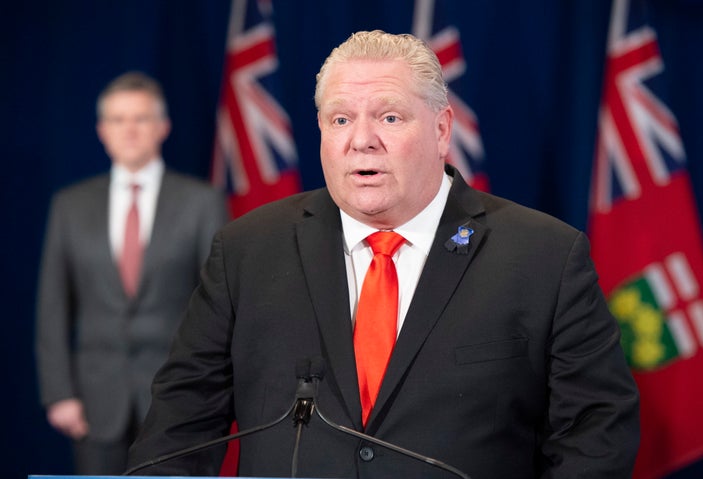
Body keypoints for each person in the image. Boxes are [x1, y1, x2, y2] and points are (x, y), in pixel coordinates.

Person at [127, 31, 639, 478]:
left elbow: (595, 435)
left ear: (442, 130)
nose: (361, 141)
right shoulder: (246, 251)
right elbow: (179, 428)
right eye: (341, 119)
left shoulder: (543, 256)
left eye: (389, 117)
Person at [35, 71, 228, 475]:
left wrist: (211, 394)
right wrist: (59, 394)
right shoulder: (69, 205)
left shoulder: (201, 202)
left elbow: (218, 304)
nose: (130, 130)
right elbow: (52, 307)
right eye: (118, 120)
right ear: (102, 130)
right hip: (94, 402)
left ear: (162, 127)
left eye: (141, 118)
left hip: (178, 400)